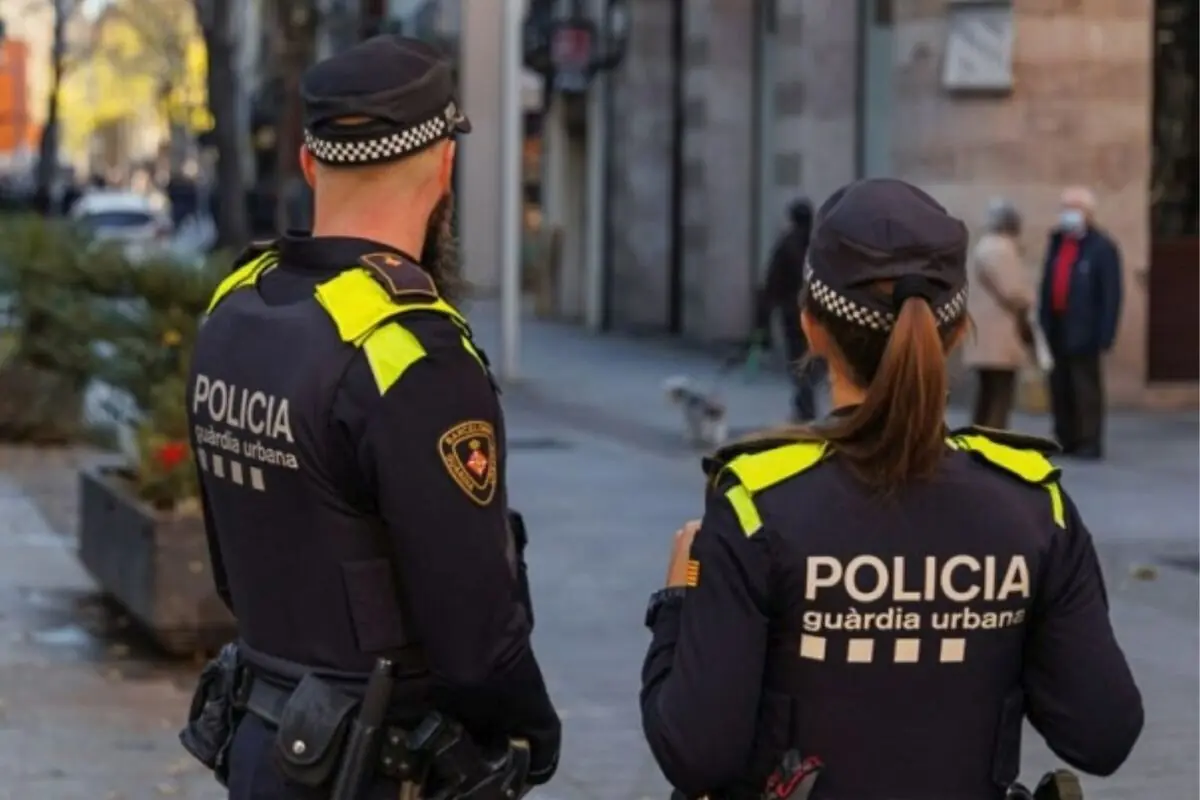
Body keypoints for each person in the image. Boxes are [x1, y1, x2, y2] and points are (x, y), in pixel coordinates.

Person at [640, 178, 1143, 800]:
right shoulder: (1032, 506)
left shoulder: (756, 506)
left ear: (812, 328)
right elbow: (1103, 733)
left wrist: (678, 599)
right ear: (957, 334)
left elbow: (696, 753)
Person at [180, 36, 561, 799]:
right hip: (379, 767)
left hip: (266, 743)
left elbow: (233, 562)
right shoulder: (411, 354)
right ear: (445, 164)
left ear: (309, 161)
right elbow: (476, 637)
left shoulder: (236, 308)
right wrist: (535, 737)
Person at [1038, 187, 1123, 460]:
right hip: (1057, 325)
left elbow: (1111, 294)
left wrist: (1106, 333)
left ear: (1088, 213)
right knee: (1059, 385)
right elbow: (1047, 283)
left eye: (1073, 207)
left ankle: (1089, 441)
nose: (1068, 213)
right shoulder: (1057, 242)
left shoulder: (1101, 247)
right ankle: (1065, 437)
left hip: (1085, 329)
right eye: (1065, 207)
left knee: (1085, 388)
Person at [963, 199, 1036, 429]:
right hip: (999, 332)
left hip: (986, 332)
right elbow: (1013, 291)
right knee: (999, 393)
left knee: (988, 391)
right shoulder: (1000, 249)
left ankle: (981, 435)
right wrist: (1029, 300)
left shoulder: (985, 246)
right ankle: (992, 438)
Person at [752, 198, 824, 422]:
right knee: (818, 360)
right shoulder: (822, 245)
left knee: (799, 360)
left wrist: (762, 319)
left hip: (794, 314)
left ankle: (805, 406)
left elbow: (772, 281)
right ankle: (807, 402)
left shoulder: (787, 245)